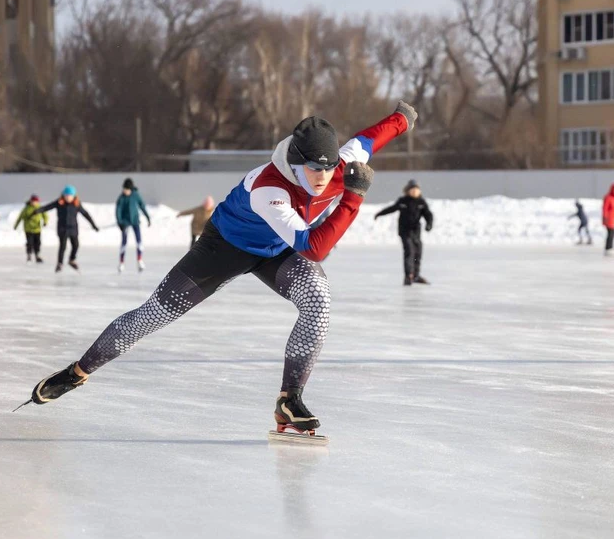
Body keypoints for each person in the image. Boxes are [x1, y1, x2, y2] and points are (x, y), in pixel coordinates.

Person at [22, 101, 418, 437]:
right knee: (152, 316)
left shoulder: (342, 164)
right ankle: (78, 371)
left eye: (330, 169)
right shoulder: (270, 187)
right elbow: (314, 248)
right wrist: (353, 198)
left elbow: (370, 139)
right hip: (224, 247)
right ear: (297, 162)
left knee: (318, 301)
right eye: (315, 168)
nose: (324, 177)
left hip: (277, 250)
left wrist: (401, 118)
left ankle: (289, 400)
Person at [374, 179, 433, 285]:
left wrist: (429, 224)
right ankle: (408, 276)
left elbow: (428, 214)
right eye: (412, 189)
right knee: (409, 251)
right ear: (408, 190)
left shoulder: (421, 202)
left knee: (418, 252)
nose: (414, 191)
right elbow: (391, 209)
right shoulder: (403, 201)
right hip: (404, 231)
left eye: (416, 189)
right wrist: (379, 214)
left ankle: (416, 276)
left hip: (416, 232)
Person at [32, 186, 99, 272]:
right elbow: (47, 207)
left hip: (73, 228)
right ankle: (60, 263)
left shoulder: (77, 204)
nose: (68, 198)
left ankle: (72, 260)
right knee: (62, 246)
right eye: (66, 196)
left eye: (70, 196)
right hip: (62, 228)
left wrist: (93, 225)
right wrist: (37, 211)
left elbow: (86, 214)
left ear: (74, 196)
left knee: (76, 245)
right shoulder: (59, 202)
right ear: (63, 195)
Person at [115, 178, 151, 273]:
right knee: (124, 242)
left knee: (139, 241)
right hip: (125, 222)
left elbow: (142, 206)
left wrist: (148, 217)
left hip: (135, 221)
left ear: (130, 189)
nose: (125, 191)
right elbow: (118, 211)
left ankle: (139, 260)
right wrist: (120, 222)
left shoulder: (136, 195)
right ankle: (121, 262)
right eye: (124, 189)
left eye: (126, 189)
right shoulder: (121, 198)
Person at [14, 194, 48, 263]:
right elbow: (20, 217)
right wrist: (16, 225)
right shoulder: (26, 208)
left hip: (37, 229)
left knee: (37, 243)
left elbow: (45, 216)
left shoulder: (40, 208)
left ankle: (37, 255)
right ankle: (29, 255)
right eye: (33, 201)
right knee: (29, 243)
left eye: (36, 201)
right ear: (31, 201)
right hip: (28, 229)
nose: (34, 203)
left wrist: (45, 222)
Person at [602, 183, 614, 254]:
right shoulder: (608, 197)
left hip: (613, 219)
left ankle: (610, 247)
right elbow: (605, 208)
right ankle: (608, 248)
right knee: (611, 233)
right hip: (608, 218)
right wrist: (605, 217)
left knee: (612, 233)